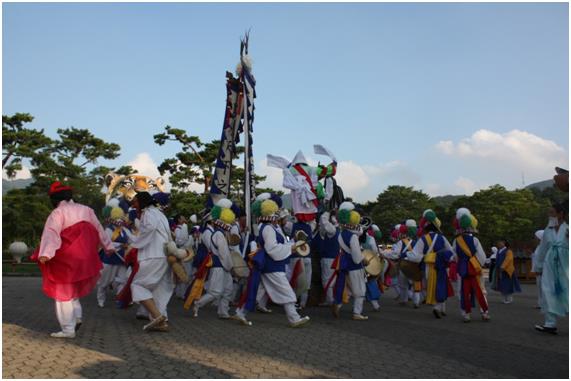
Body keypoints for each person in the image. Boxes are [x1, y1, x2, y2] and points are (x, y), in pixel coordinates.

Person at [31, 181, 115, 338]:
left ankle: (68, 329)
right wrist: (108, 246)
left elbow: (51, 234)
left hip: (66, 258)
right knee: (73, 291)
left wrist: (46, 254)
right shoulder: (87, 210)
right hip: (85, 257)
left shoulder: (57, 213)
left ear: (54, 199)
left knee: (62, 292)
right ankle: (77, 317)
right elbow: (99, 229)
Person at [233, 197, 310, 327]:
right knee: (287, 292)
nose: (279, 216)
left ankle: (240, 313)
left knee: (254, 289)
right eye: (276, 214)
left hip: (268, 265)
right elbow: (272, 249)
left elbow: (278, 245)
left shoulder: (269, 227)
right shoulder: (269, 228)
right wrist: (292, 247)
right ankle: (294, 319)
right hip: (272, 265)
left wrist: (294, 243)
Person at [129, 191, 174, 332]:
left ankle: (157, 316)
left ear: (142, 201)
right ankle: (161, 321)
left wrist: (135, 242)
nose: (133, 204)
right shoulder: (159, 213)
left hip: (153, 255)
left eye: (135, 201)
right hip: (162, 255)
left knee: (138, 285)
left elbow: (150, 228)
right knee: (158, 289)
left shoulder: (148, 213)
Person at [191, 199, 235, 319]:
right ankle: (197, 303)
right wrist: (230, 267)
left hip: (222, 266)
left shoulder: (219, 233)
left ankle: (223, 312)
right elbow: (224, 254)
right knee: (215, 291)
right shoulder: (219, 234)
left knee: (228, 290)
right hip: (220, 266)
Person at [409, 210, 455, 319]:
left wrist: (423, 257)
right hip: (441, 266)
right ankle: (439, 308)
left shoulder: (422, 239)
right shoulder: (442, 238)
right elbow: (451, 252)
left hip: (427, 267)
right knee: (441, 285)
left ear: (426, 229)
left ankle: (438, 307)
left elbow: (415, 256)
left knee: (430, 287)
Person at [534, 202, 568, 334]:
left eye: (552, 213)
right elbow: (542, 249)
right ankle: (550, 324)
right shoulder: (548, 230)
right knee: (548, 290)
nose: (550, 215)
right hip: (549, 264)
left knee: (567, 291)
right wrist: (539, 265)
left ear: (560, 214)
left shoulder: (567, 229)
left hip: (565, 264)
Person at [331, 202, 368, 321]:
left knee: (346, 287)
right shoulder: (353, 237)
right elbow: (357, 257)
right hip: (354, 266)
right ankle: (357, 313)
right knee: (360, 290)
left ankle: (338, 304)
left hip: (344, 264)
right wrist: (364, 259)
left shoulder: (341, 234)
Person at [451, 208, 489, 322]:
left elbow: (454, 256)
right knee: (480, 290)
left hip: (462, 269)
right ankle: (484, 312)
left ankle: (466, 314)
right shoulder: (475, 240)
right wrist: (477, 265)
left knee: (463, 291)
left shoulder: (456, 241)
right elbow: (482, 257)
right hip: (475, 269)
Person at [96, 207, 131, 308]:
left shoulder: (124, 230)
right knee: (104, 282)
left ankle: (119, 298)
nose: (119, 220)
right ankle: (100, 300)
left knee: (123, 280)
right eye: (118, 218)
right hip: (110, 259)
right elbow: (106, 243)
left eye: (121, 218)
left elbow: (131, 240)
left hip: (121, 260)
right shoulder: (108, 229)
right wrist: (120, 245)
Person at [317, 211, 340, 306]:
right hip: (334, 257)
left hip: (328, 258)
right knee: (332, 279)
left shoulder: (333, 230)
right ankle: (331, 298)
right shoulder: (339, 229)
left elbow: (324, 221)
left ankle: (330, 300)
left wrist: (327, 212)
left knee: (326, 280)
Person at [492, 238, 521, 304]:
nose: (499, 244)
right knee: (501, 285)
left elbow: (508, 260)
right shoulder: (499, 251)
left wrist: (502, 267)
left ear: (504, 243)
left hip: (507, 271)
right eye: (498, 243)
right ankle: (504, 298)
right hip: (499, 270)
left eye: (500, 242)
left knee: (508, 284)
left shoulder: (508, 251)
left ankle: (509, 298)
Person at [531, 230, 545, 309]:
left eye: (536, 237)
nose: (534, 239)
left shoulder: (544, 248)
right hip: (538, 271)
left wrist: (541, 270)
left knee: (544, 289)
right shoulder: (539, 247)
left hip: (543, 272)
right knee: (540, 289)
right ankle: (541, 304)